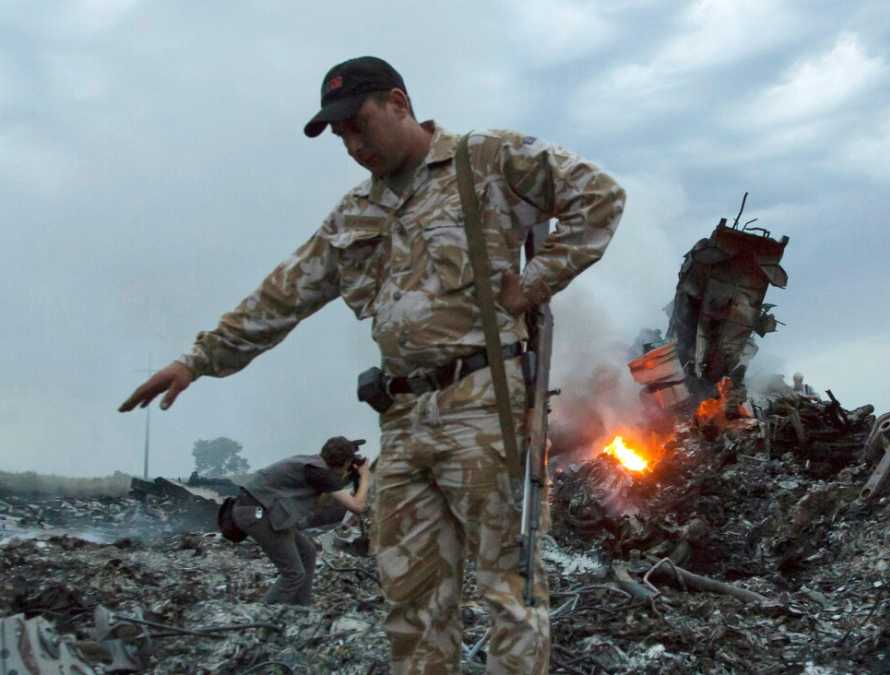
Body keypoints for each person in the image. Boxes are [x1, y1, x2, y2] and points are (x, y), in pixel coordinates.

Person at [118, 56, 625, 673]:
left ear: (398, 102)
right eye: (341, 137)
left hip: (487, 410)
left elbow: (599, 196)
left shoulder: (485, 159)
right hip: (404, 422)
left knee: (510, 593)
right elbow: (285, 293)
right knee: (411, 606)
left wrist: (534, 283)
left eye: (360, 125)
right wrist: (196, 361)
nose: (354, 146)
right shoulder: (356, 213)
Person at [232, 436, 370, 605]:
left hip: (261, 511)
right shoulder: (320, 473)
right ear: (345, 462)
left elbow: (326, 493)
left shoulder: (313, 465)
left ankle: (300, 609)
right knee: (293, 574)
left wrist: (350, 472)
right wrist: (364, 477)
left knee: (307, 552)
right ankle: (262, 621)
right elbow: (357, 506)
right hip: (257, 514)